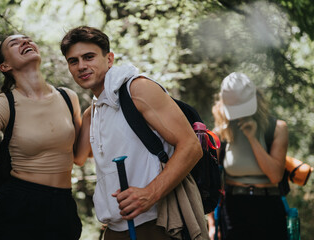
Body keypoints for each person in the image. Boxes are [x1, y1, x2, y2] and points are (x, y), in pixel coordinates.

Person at [60, 26, 208, 239]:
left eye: (89, 57)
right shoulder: (93, 113)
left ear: (109, 59)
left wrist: (150, 194)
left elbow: (192, 147)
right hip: (114, 229)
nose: (81, 66)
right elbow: (79, 157)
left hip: (157, 224)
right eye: (73, 61)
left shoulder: (138, 89)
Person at [0, 34, 82, 240]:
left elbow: (79, 156)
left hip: (63, 208)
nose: (25, 42)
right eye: (15, 43)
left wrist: (96, 109)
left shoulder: (69, 97)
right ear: (5, 66)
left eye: (28, 39)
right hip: (19, 207)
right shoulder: (3, 104)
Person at [207, 72, 288, 240]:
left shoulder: (277, 128)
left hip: (269, 207)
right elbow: (211, 181)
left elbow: (275, 175)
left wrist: (252, 139)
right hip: (233, 209)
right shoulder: (220, 133)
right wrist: (212, 224)